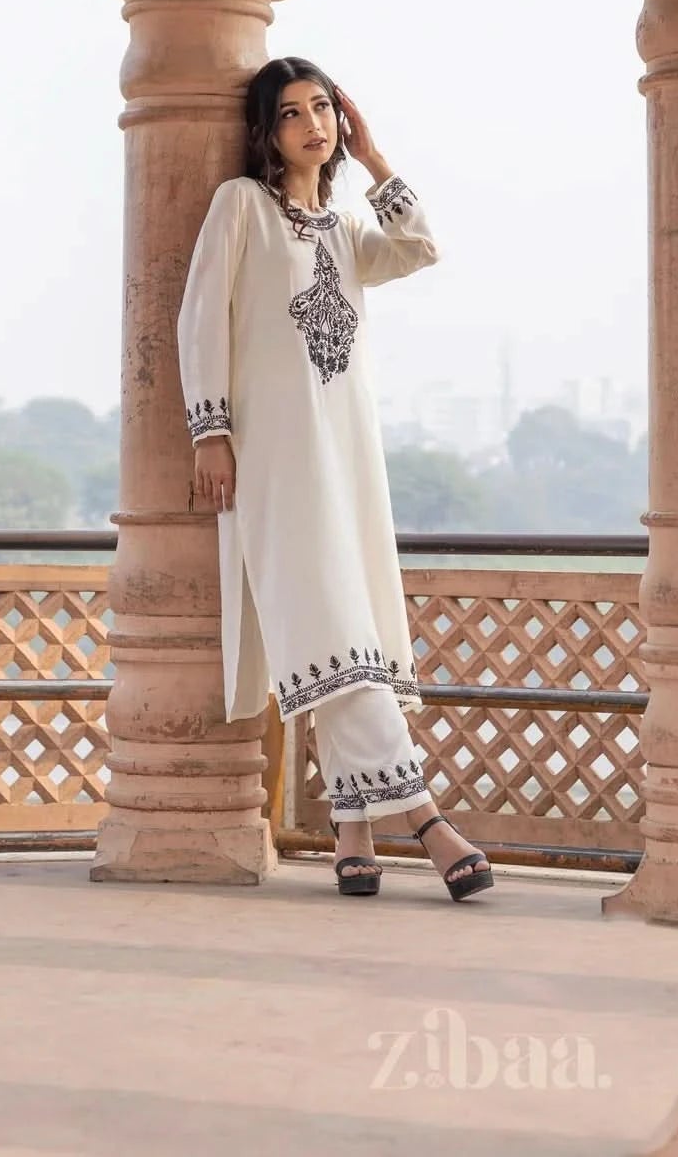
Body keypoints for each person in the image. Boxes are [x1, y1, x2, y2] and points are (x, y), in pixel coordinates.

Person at [176, 55, 493, 902]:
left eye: (323, 110)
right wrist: (211, 431)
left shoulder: (347, 232)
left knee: (352, 632)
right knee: (327, 630)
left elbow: (419, 247)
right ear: (264, 131)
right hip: (275, 457)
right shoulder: (241, 207)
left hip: (347, 454)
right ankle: (427, 821)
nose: (312, 125)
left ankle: (352, 830)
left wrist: (379, 158)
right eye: (291, 113)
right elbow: (199, 317)